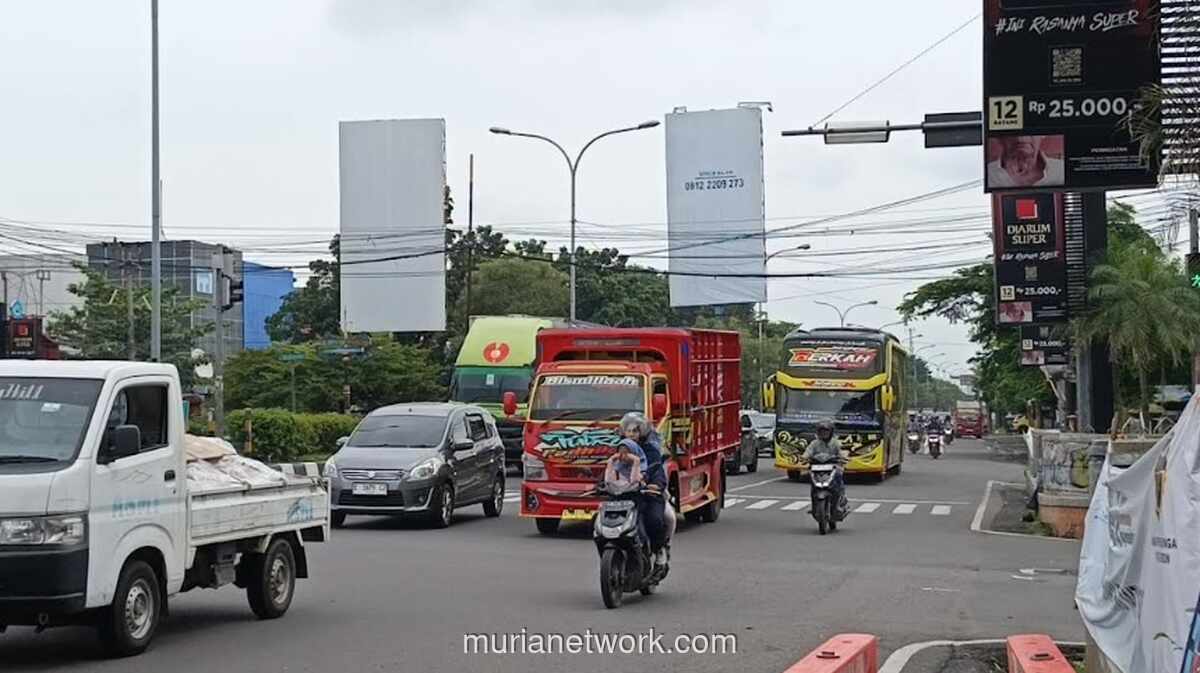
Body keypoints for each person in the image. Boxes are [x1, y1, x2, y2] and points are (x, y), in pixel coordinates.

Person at [618, 412, 671, 569]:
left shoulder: (651, 451)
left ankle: (659, 550)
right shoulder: (619, 450)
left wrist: (656, 485)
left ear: (642, 432)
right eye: (628, 430)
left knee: (655, 520)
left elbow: (657, 471)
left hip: (647, 495)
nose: (631, 434)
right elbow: (610, 469)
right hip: (624, 496)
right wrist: (601, 484)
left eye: (635, 431)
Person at [804, 419, 848, 515]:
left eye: (826, 431)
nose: (824, 433)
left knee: (838, 477)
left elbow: (841, 452)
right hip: (817, 467)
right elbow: (808, 451)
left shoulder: (835, 443)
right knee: (812, 483)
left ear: (831, 432)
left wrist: (843, 457)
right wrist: (804, 457)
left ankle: (840, 502)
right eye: (821, 431)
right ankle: (814, 506)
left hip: (834, 467)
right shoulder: (815, 443)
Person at [986, 135, 1065, 188]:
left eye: (1030, 131)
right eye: (1013, 132)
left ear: (1043, 135)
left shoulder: (1062, 170)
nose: (1021, 138)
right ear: (999, 138)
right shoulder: (989, 174)